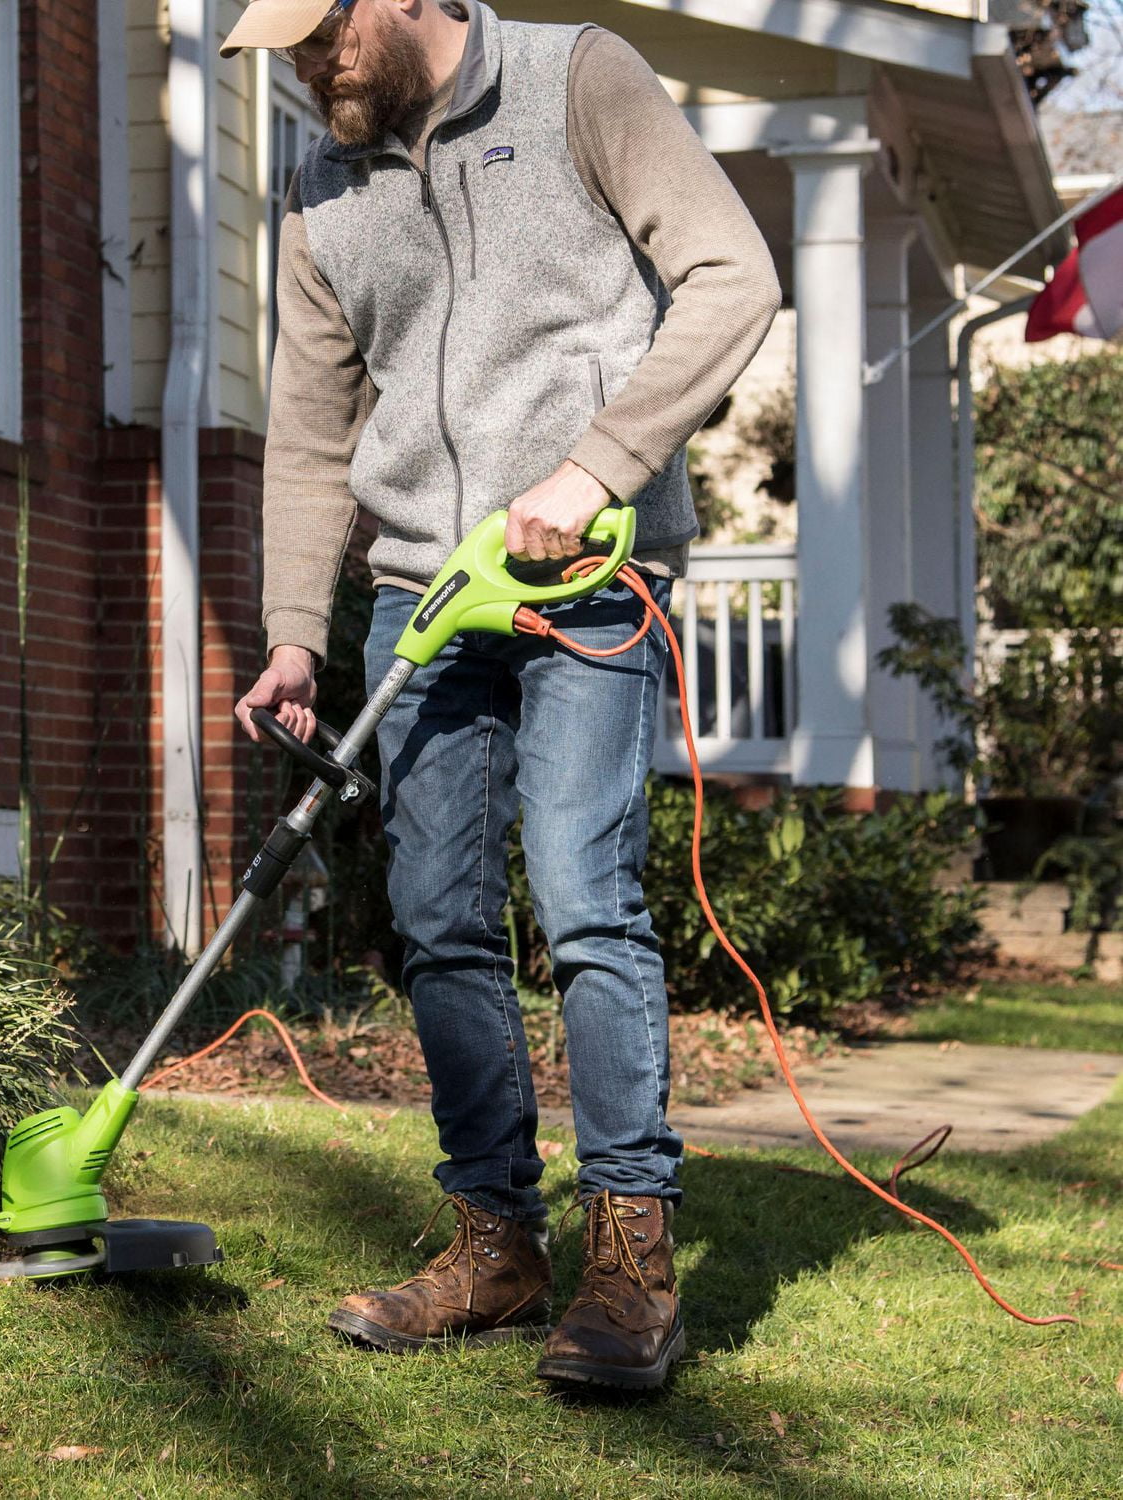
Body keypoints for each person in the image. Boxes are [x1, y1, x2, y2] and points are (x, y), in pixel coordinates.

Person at [224, 0, 780, 1390]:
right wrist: (295, 629)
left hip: (589, 573)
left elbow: (731, 276)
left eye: (318, 35)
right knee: (435, 920)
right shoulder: (320, 191)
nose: (306, 65)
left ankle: (631, 1267)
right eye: (283, 48)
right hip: (426, 598)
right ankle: (496, 1244)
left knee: (586, 897)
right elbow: (309, 431)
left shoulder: (582, 78)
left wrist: (594, 466)